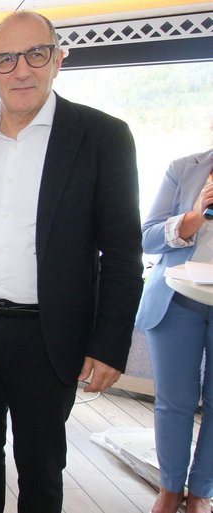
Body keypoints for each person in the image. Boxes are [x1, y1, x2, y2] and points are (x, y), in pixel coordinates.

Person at [0, 11, 143, 513]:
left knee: (41, 468)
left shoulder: (102, 137)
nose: (21, 70)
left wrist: (109, 344)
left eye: (35, 54)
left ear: (58, 59)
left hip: (49, 337)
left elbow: (123, 252)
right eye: (6, 60)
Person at [135, 150, 213, 513]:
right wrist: (194, 216)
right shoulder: (184, 169)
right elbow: (147, 238)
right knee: (174, 400)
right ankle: (169, 488)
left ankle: (201, 491)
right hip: (177, 299)